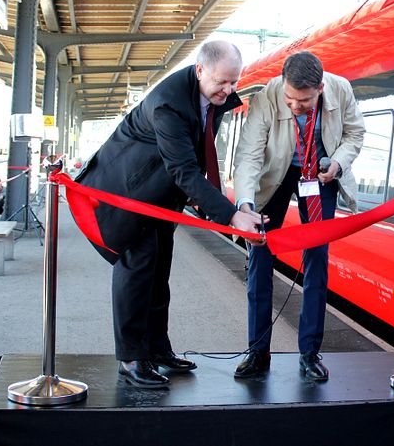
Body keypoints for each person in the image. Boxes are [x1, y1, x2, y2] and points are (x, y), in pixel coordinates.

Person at [75, 41, 262, 389]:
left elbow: (190, 159)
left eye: (235, 82)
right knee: (137, 270)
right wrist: (231, 215)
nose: (229, 90)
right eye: (223, 82)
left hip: (161, 195)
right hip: (130, 194)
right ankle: (131, 359)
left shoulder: (212, 96)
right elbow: (184, 169)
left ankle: (157, 350)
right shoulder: (169, 104)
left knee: (158, 272)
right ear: (200, 70)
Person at [232, 51, 364, 381]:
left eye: (303, 101)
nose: (294, 106)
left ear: (320, 88)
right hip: (274, 177)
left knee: (317, 259)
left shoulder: (341, 89)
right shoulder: (268, 97)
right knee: (260, 255)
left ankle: (309, 353)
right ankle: (258, 351)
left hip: (319, 177)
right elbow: (249, 153)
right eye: (289, 98)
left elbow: (354, 134)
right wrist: (246, 204)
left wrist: (337, 163)